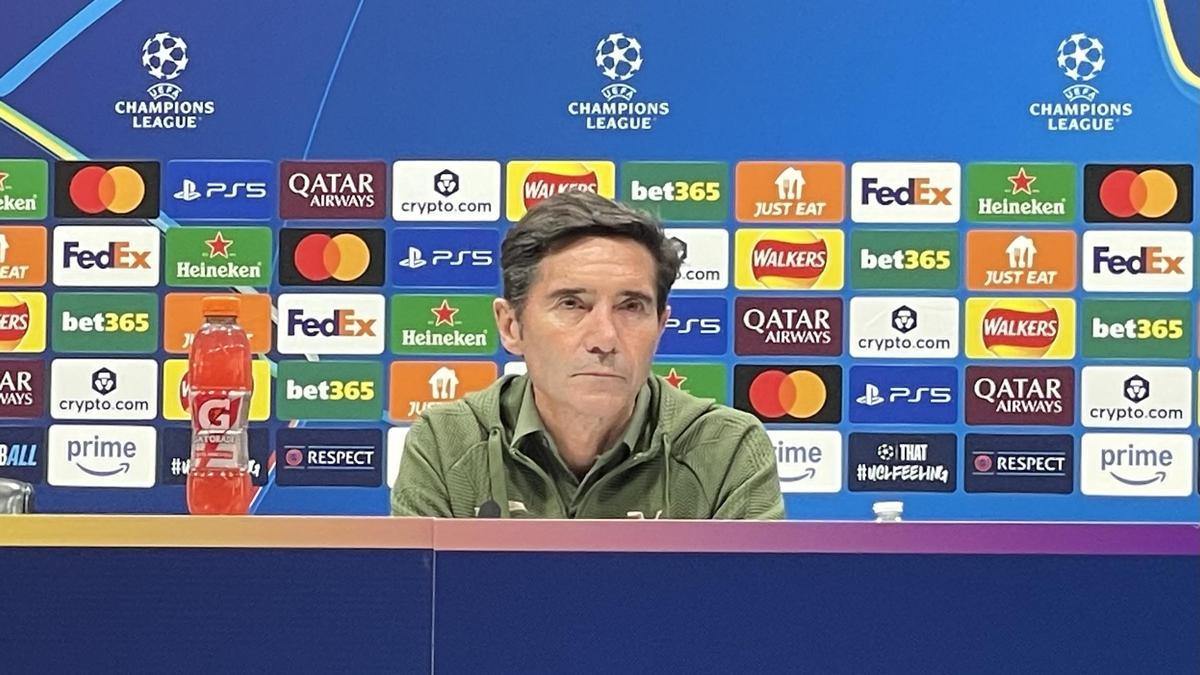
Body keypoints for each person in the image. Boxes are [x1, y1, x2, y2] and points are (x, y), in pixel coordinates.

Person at [390, 191, 784, 519]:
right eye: (572, 304)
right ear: (511, 326)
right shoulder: (447, 444)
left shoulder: (725, 448)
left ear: (661, 327)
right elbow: (417, 609)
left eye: (631, 306)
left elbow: (747, 611)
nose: (604, 338)